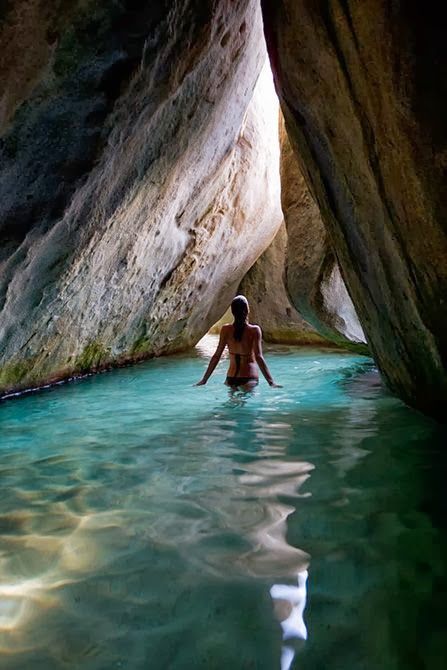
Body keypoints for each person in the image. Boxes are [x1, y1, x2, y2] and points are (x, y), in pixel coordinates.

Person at [195, 295, 281, 390]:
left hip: (231, 378)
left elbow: (217, 356)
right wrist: (271, 382)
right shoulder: (254, 330)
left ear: (232, 312)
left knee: (232, 403)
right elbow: (259, 357)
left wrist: (204, 380)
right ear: (247, 310)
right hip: (249, 377)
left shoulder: (225, 330)